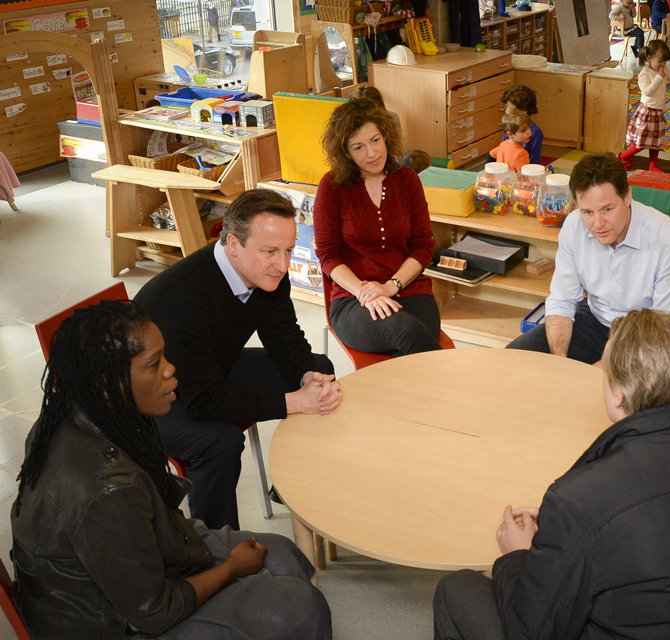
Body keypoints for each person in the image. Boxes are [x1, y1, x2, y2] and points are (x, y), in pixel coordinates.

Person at [435, 309, 670, 640]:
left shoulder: (579, 496)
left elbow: (530, 632)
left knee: (456, 589)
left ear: (618, 393)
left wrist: (516, 556)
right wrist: (568, 528)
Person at [11, 301, 332, 640]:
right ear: (108, 382)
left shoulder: (73, 414)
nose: (170, 370)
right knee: (301, 607)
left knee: (284, 553)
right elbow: (154, 612)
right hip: (109, 624)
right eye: (154, 364)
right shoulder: (109, 489)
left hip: (133, 569)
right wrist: (232, 568)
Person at [135, 189, 340, 531]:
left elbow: (283, 335)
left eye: (288, 250)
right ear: (233, 244)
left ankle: (296, 485)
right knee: (219, 443)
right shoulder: (186, 298)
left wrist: (306, 377)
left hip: (204, 370)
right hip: (148, 401)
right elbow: (203, 402)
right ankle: (216, 546)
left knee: (321, 370)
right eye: (270, 252)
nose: (283, 264)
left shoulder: (267, 271)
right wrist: (293, 402)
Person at [506, 152, 670, 364]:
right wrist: (559, 364)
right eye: (588, 212)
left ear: (627, 196)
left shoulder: (667, 240)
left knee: (612, 392)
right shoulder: (574, 226)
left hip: (647, 335)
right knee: (513, 359)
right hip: (594, 320)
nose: (598, 224)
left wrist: (601, 371)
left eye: (607, 209)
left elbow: (667, 331)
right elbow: (562, 301)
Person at [314, 99, 442, 357]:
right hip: (354, 298)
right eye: (358, 147)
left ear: (386, 137)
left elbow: (423, 246)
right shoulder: (332, 186)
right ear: (346, 153)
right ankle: (456, 393)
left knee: (413, 342)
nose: (372, 153)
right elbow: (328, 255)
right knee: (407, 332)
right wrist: (365, 291)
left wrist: (390, 286)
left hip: (408, 287)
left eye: (375, 140)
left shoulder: (408, 180)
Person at [618, 40, 670, 172]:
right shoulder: (644, 74)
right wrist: (658, 77)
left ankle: (653, 166)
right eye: (660, 61)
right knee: (643, 142)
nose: (663, 65)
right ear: (649, 58)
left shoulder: (662, 69)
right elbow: (647, 91)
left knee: (655, 141)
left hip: (657, 111)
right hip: (647, 111)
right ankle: (622, 156)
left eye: (665, 62)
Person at [497, 85, 543, 164]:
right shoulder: (510, 127)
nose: (506, 111)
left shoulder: (535, 132)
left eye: (510, 108)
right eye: (506, 107)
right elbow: (504, 149)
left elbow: (534, 160)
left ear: (524, 110)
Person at [490, 107, 532, 172]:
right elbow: (524, 176)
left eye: (529, 128)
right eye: (523, 130)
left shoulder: (503, 144)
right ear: (510, 134)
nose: (529, 132)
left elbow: (491, 154)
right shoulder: (521, 153)